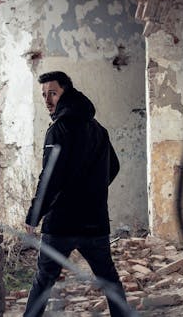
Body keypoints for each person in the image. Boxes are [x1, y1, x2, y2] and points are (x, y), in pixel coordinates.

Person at [23, 71, 129, 317]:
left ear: (66, 93)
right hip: (95, 221)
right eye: (44, 95)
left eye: (53, 93)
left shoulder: (58, 130)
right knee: (109, 280)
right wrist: (93, 191)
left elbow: (49, 179)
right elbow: (113, 167)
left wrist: (34, 215)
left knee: (43, 282)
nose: (48, 100)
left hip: (61, 223)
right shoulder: (97, 129)